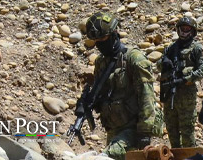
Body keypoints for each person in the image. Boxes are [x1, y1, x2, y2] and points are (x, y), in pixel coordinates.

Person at [83, 12, 161, 160]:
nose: (99, 44)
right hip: (114, 128)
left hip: (134, 128)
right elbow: (104, 93)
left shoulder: (134, 59)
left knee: (106, 157)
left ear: (114, 33)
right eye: (96, 40)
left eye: (103, 38)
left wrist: (144, 134)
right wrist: (89, 102)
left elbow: (147, 97)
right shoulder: (101, 62)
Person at [159, 16, 203, 148]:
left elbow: (201, 71)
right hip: (170, 96)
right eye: (182, 28)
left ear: (193, 31)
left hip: (186, 97)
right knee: (172, 131)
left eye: (187, 29)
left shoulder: (196, 48)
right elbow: (157, 67)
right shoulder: (171, 48)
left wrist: (185, 79)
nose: (184, 31)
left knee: (187, 132)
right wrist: (163, 63)